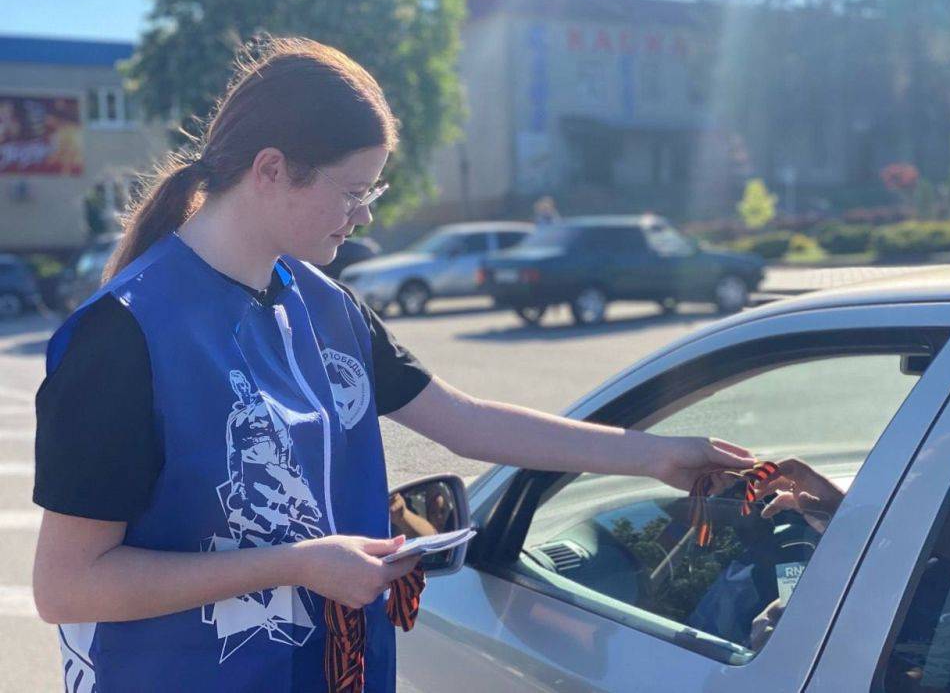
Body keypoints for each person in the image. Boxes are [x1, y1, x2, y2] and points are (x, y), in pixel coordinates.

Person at [31, 35, 754, 693]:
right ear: (272, 170)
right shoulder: (124, 337)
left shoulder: (327, 307)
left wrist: (657, 456)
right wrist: (297, 564)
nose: (365, 216)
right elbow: (67, 586)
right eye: (353, 192)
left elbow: (467, 422)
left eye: (370, 193)